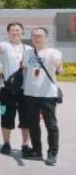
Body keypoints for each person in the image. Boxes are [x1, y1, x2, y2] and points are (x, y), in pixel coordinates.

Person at [21, 27, 63, 166]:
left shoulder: (53, 52)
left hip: (47, 95)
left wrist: (59, 68)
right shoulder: (28, 53)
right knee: (33, 124)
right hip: (30, 94)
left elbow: (58, 65)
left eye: (39, 35)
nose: (36, 38)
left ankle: (52, 153)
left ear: (46, 37)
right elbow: (25, 68)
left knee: (51, 125)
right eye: (34, 35)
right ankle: (37, 151)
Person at [0, 22, 32, 155]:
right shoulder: (4, 45)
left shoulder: (29, 49)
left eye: (18, 30)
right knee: (5, 115)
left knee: (26, 117)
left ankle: (25, 144)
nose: (15, 33)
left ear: (22, 32)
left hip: (24, 90)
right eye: (12, 30)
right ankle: (6, 143)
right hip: (6, 89)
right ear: (8, 33)